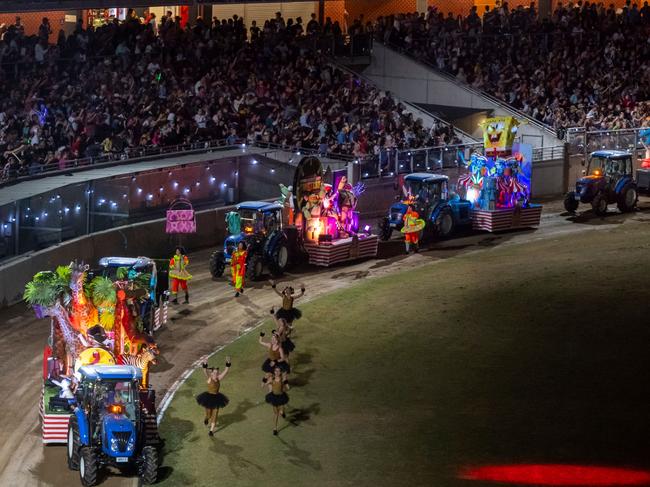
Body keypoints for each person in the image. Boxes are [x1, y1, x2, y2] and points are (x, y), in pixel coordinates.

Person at [196, 357, 231, 436]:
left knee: (215, 414)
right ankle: (206, 418)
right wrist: (205, 363)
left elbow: (226, 371)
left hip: (217, 398)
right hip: (208, 398)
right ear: (211, 373)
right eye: (214, 373)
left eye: (217, 373)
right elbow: (205, 371)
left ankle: (211, 431)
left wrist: (228, 364)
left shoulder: (219, 378)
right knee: (209, 414)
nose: (216, 374)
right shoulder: (209, 378)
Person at [265, 366, 289, 436]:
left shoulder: (282, 379)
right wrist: (265, 379)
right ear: (274, 372)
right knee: (276, 413)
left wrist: (285, 380)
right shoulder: (271, 379)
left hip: (281, 397)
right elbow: (263, 385)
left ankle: (282, 412)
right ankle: (275, 428)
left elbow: (288, 387)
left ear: (280, 372)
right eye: (276, 371)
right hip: (274, 397)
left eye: (278, 371)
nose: (277, 372)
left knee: (281, 409)